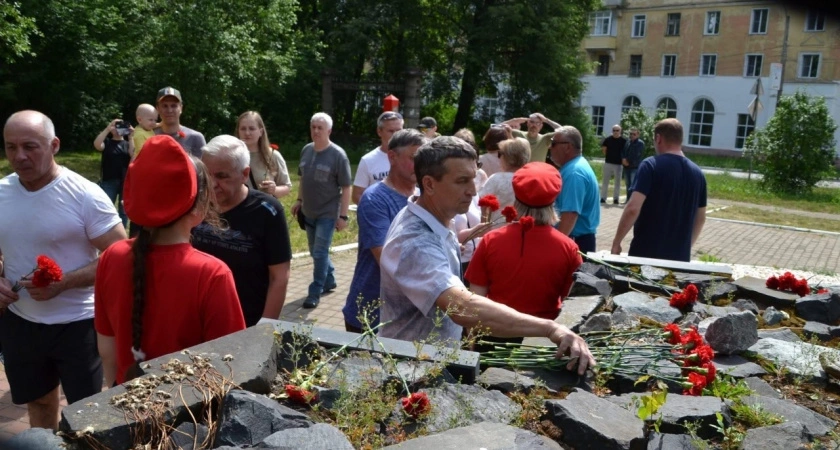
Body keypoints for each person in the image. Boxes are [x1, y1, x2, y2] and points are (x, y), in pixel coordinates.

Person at [377, 136, 595, 375]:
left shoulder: (430, 215)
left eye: (474, 177)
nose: (473, 191)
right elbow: (460, 306)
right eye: (462, 181)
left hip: (425, 359)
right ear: (429, 184)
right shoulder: (415, 240)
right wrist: (550, 329)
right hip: (410, 368)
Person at [0, 110, 126, 429]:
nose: (20, 156)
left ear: (54, 145)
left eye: (30, 146)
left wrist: (65, 282)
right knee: (40, 404)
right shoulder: (2, 193)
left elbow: (121, 256)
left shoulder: (84, 195)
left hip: (78, 324)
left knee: (86, 414)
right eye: (11, 147)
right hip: (22, 322)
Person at [95, 135, 246, 386]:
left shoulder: (111, 257)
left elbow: (107, 353)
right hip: (189, 418)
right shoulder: (212, 274)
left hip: (122, 406)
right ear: (198, 206)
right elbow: (231, 367)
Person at [466, 162, 582, 353]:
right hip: (543, 339)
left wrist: (471, 342)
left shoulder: (490, 240)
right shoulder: (569, 248)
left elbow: (475, 300)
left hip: (494, 334)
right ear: (554, 200)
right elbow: (572, 304)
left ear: (516, 197)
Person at [191, 135, 292, 327]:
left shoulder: (267, 211)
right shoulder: (196, 202)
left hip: (246, 322)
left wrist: (264, 328)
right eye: (207, 175)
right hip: (197, 320)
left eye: (221, 176)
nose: (211, 184)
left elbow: (279, 276)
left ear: (245, 174)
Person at [342, 129, 427, 333]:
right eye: (414, 158)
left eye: (423, 159)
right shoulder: (375, 200)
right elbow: (387, 259)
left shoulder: (422, 195)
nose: (420, 166)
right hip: (371, 314)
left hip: (404, 313)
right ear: (392, 156)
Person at [611, 119, 707, 262]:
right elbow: (700, 218)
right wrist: (686, 247)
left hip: (645, 255)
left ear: (658, 138)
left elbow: (633, 208)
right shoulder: (698, 174)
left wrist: (617, 242)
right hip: (679, 259)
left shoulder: (650, 165)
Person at [291, 113, 352, 309]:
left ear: (329, 131)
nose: (316, 131)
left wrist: (343, 216)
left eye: (320, 128)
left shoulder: (338, 155)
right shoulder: (306, 150)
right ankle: (330, 279)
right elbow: (303, 179)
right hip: (309, 212)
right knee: (317, 252)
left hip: (327, 213)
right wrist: (299, 200)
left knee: (319, 253)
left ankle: (315, 291)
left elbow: (347, 187)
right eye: (313, 127)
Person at [549, 126, 600, 253]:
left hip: (574, 241)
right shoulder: (575, 166)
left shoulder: (574, 173)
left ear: (567, 147)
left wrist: (555, 247)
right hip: (576, 239)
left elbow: (570, 214)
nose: (550, 147)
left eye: (553, 143)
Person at [235, 111, 292, 199]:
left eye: (252, 128)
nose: (247, 133)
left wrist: (274, 189)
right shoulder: (232, 156)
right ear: (238, 131)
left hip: (263, 210)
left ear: (261, 132)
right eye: (243, 128)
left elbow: (287, 187)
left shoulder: (273, 155)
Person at [352, 111, 403, 204]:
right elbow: (357, 195)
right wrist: (373, 210)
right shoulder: (368, 160)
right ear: (379, 131)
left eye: (399, 131)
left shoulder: (411, 157)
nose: (395, 135)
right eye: (391, 131)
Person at [478, 137, 531, 222]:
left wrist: (483, 225)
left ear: (507, 157)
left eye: (500, 154)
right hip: (523, 228)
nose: (499, 157)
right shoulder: (530, 180)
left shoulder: (496, 179)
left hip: (497, 228)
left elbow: (483, 204)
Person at [93, 118, 133, 228]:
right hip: (109, 180)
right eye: (115, 125)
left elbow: (132, 153)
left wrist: (130, 137)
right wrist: (107, 129)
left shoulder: (127, 143)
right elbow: (97, 145)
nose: (117, 128)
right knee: (106, 207)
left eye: (121, 126)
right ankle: (105, 230)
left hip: (125, 181)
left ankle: (121, 233)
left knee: (123, 211)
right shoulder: (107, 143)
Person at [153, 87, 206, 157]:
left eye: (174, 106)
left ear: (181, 108)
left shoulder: (195, 138)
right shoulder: (149, 135)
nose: (169, 110)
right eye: (165, 106)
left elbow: (203, 167)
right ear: (158, 109)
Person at [600, 125, 626, 205]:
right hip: (608, 163)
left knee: (617, 182)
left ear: (620, 131)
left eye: (617, 130)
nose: (615, 132)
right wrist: (608, 156)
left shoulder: (624, 140)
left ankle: (616, 199)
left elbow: (626, 151)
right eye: (614, 130)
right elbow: (604, 149)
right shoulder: (608, 139)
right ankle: (603, 198)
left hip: (618, 164)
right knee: (605, 181)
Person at [622, 128, 645, 199]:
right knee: (627, 184)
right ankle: (628, 199)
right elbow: (623, 151)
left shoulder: (640, 143)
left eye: (634, 134)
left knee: (633, 184)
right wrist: (623, 159)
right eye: (630, 134)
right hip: (626, 167)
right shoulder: (628, 142)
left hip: (634, 167)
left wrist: (628, 161)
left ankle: (632, 200)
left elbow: (636, 155)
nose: (632, 135)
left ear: (638, 135)